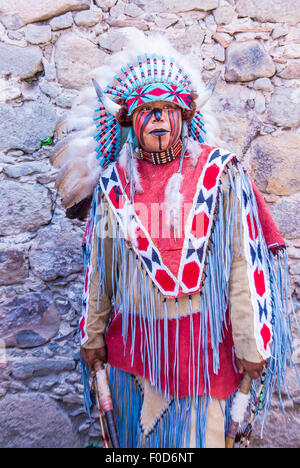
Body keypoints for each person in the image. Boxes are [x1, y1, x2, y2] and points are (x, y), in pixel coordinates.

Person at [51, 30, 297, 448]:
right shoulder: (114, 184)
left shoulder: (221, 175)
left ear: (185, 114)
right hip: (133, 360)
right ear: (129, 121)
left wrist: (250, 343)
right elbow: (101, 272)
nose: (160, 118)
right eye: (148, 109)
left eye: (169, 108)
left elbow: (242, 263)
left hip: (207, 356)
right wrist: (91, 338)